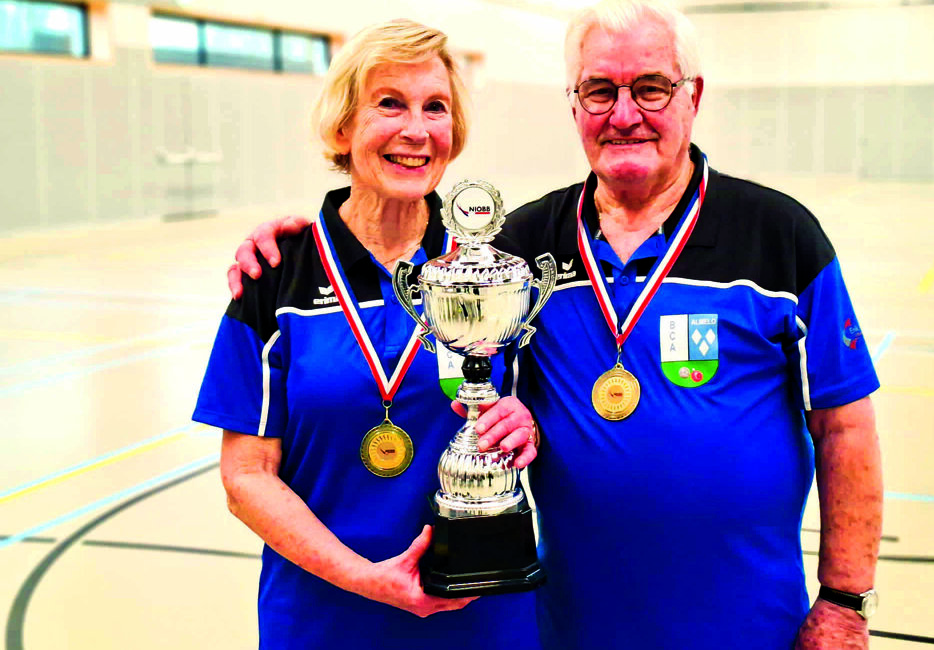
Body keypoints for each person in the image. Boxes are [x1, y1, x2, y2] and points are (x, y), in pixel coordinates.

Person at [228, 2, 883, 648]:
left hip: (746, 626)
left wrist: (845, 601)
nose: (624, 114)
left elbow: (846, 424)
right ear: (575, 105)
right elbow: (468, 351)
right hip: (569, 625)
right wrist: (299, 244)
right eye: (600, 91)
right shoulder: (525, 243)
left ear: (693, 97)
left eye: (650, 88)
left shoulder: (779, 237)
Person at [193, 19, 542, 650]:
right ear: (344, 125)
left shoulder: (498, 272)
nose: (415, 129)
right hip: (324, 619)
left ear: (453, 132)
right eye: (389, 103)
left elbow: (556, 412)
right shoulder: (278, 275)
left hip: (483, 618)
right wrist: (367, 578)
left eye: (435, 107)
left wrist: (529, 425)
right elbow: (246, 476)